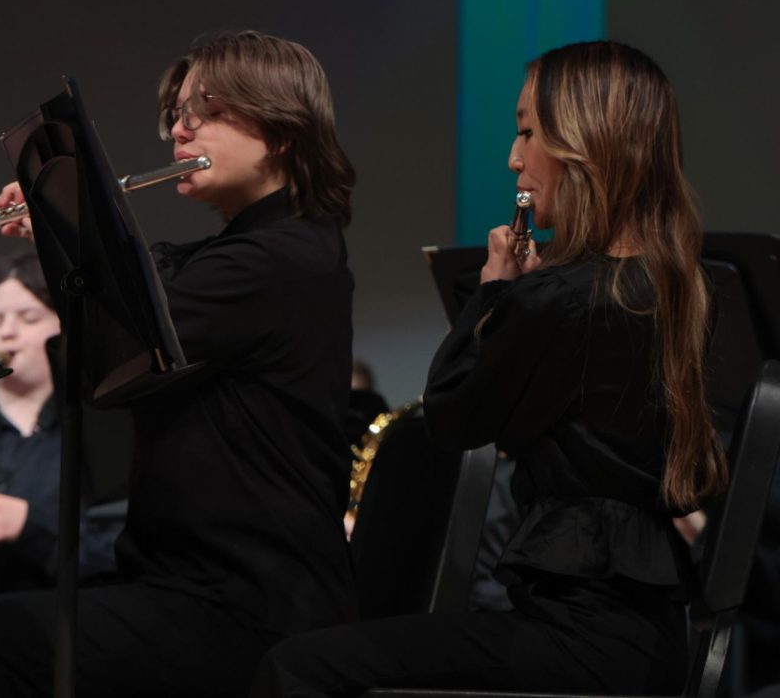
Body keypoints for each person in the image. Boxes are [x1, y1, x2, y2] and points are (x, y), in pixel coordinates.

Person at [251, 40, 728, 697]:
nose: (513, 157)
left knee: (299, 667)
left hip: (582, 644)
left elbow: (451, 416)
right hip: (643, 641)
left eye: (528, 131)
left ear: (585, 144)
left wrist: (496, 293)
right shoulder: (667, 289)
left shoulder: (563, 299)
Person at [0, 30, 357, 696]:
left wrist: (71, 220)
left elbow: (138, 319)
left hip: (249, 603)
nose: (179, 127)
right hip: (184, 585)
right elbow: (148, 277)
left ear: (283, 131)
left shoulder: (284, 258)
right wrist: (67, 225)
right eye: (176, 112)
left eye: (208, 110)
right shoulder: (240, 252)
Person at [0, 252, 121, 590]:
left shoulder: (102, 432)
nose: (6, 333)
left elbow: (116, 547)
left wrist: (29, 527)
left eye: (28, 317)